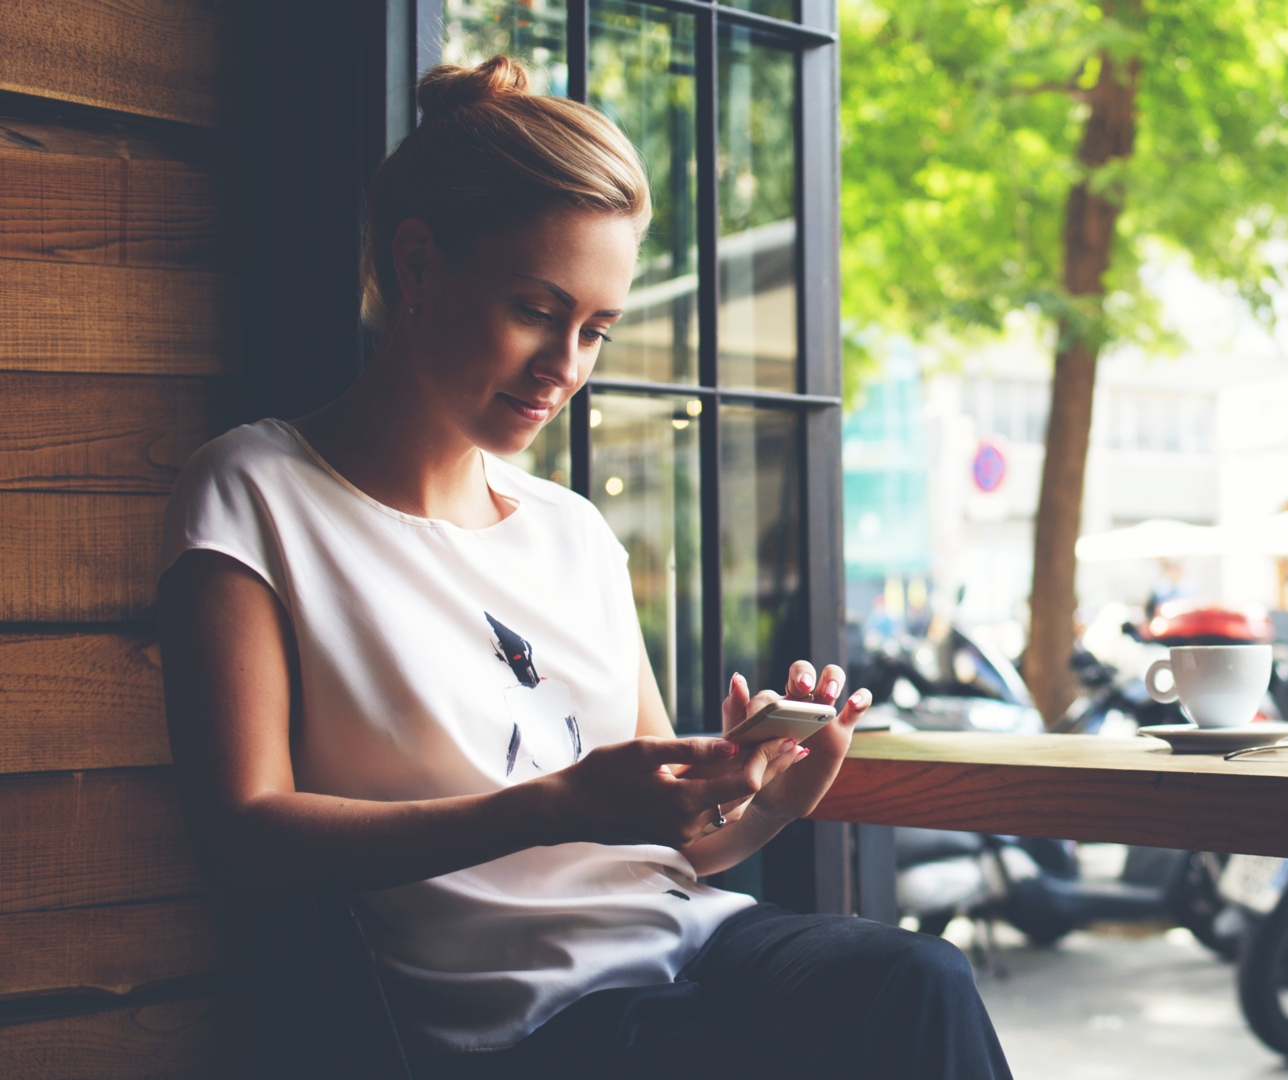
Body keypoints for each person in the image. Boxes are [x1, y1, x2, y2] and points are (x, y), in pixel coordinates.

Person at [157, 57, 1010, 1079]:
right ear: (419, 265)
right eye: (536, 309)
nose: (566, 365)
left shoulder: (572, 533)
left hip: (692, 947)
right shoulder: (258, 492)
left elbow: (674, 849)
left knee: (918, 978)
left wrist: (766, 795)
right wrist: (555, 805)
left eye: (596, 329)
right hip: (515, 1021)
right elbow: (241, 839)